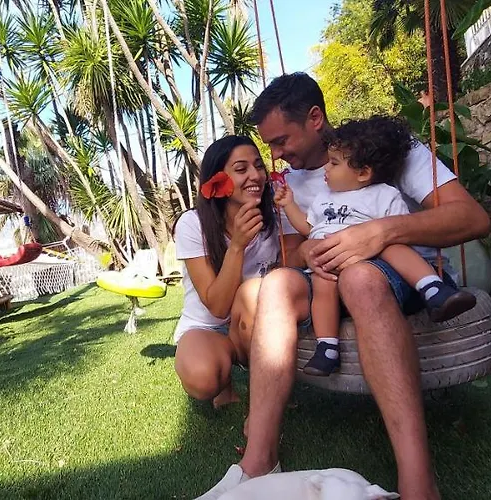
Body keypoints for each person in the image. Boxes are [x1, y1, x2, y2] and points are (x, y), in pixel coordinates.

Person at [196, 73, 489, 500]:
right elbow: (294, 252)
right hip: (328, 282)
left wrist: (381, 232)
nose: (275, 155)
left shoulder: (384, 151)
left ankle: (418, 482)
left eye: (281, 141)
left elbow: (473, 218)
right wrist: (308, 252)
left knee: (360, 277)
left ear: (315, 118)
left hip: (403, 275)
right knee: (276, 285)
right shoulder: (288, 184)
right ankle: (258, 460)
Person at [273, 116, 477, 376]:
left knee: (393, 246)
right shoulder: (324, 198)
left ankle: (433, 288)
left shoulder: (384, 194)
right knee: (322, 283)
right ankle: (327, 347)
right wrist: (289, 204)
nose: (326, 169)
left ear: (363, 173)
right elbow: (307, 227)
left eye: (334, 163)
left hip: (374, 259)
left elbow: (401, 232)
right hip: (332, 259)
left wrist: (378, 238)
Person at [173, 135, 279, 409]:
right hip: (207, 325)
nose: (255, 175)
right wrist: (238, 246)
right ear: (217, 181)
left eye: (259, 166)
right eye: (241, 169)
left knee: (256, 291)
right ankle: (224, 381)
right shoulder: (192, 224)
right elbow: (218, 307)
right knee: (202, 379)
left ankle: (267, 387)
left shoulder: (277, 215)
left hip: (256, 319)